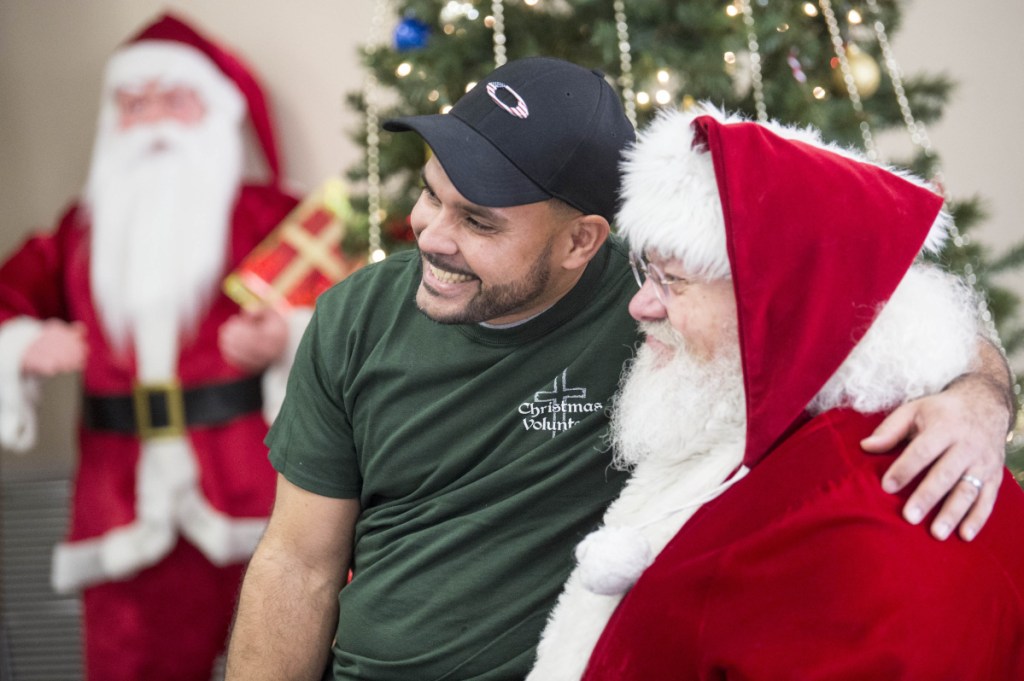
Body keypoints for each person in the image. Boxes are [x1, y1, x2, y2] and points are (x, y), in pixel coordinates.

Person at [225, 57, 1014, 681]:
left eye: (477, 221)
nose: (430, 234)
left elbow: (858, 287)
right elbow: (297, 560)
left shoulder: (669, 311)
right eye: (432, 196)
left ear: (583, 241)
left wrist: (979, 394)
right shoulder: (357, 316)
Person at [529, 106, 1024, 680]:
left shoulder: (862, 521)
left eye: (674, 280)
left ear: (786, 303)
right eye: (648, 271)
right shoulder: (752, 416)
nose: (640, 304)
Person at [0, 13, 304, 681]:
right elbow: (6, 299)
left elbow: (351, 312)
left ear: (213, 110)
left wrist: (287, 334)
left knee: (294, 657)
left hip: (259, 493)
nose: (154, 120)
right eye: (134, 105)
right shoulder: (78, 233)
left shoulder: (267, 216)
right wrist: (24, 342)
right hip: (121, 506)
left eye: (174, 98)